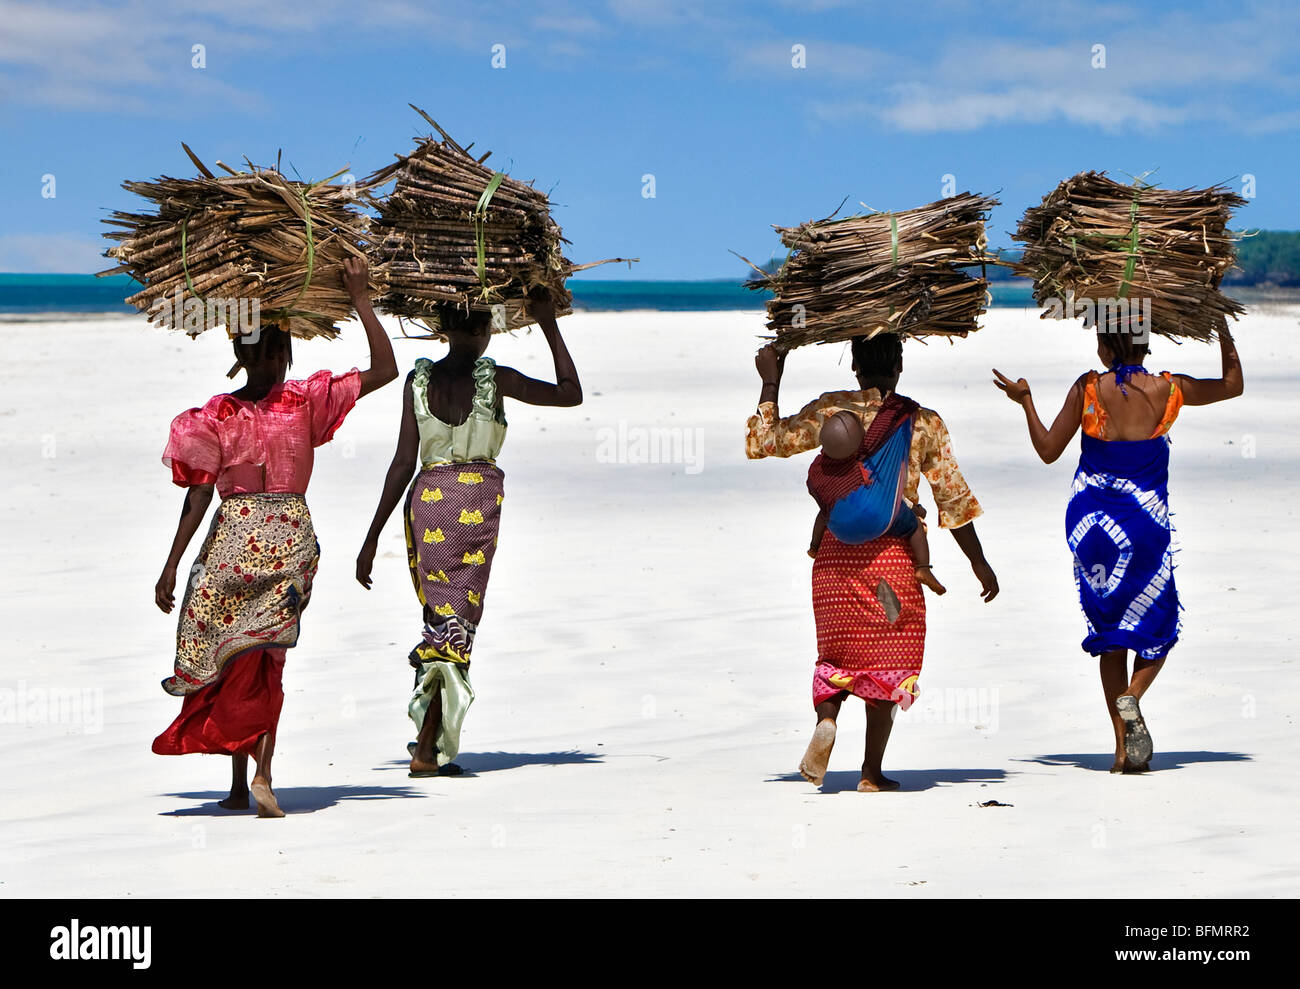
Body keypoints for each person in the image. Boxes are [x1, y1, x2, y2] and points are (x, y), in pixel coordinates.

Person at [152, 257, 398, 817]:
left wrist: (361, 298)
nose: (264, 361)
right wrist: (171, 565)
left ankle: (261, 774)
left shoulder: (306, 400)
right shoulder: (215, 415)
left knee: (265, 658)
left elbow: (385, 368)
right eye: (254, 351)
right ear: (243, 355)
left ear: (282, 351)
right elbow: (197, 495)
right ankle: (243, 781)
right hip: (239, 547)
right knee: (239, 660)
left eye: (269, 350)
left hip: (277, 545)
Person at [747, 333, 999, 792]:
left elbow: (767, 443)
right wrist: (978, 562)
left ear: (855, 366)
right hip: (892, 557)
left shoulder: (831, 409)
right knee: (886, 662)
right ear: (899, 364)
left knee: (837, 657)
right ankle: (870, 773)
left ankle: (827, 720)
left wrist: (770, 383)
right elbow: (953, 499)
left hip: (834, 558)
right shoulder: (923, 422)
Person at [993, 315, 1243, 773]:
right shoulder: (1170, 390)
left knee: (1111, 637)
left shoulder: (1088, 388)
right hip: (1144, 526)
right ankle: (1133, 697)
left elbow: (1048, 450)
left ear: (1108, 345)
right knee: (1159, 627)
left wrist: (1026, 402)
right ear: (1145, 346)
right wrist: (1220, 328)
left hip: (1092, 530)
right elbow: (1232, 385)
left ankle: (1123, 752)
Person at [356, 287, 582, 778]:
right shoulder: (495, 378)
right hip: (474, 507)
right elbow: (570, 393)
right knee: (456, 624)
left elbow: (401, 463)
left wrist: (373, 536)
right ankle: (424, 747)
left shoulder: (418, 382)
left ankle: (430, 738)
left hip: (428, 505)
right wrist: (547, 322)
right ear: (485, 331)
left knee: (439, 617)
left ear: (442, 328)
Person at [808, 409, 945, 595]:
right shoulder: (868, 463)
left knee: (825, 511)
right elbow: (891, 495)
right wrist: (915, 510)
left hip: (841, 531)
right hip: (874, 519)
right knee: (913, 526)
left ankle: (813, 547)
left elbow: (819, 493)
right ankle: (924, 568)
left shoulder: (820, 469)